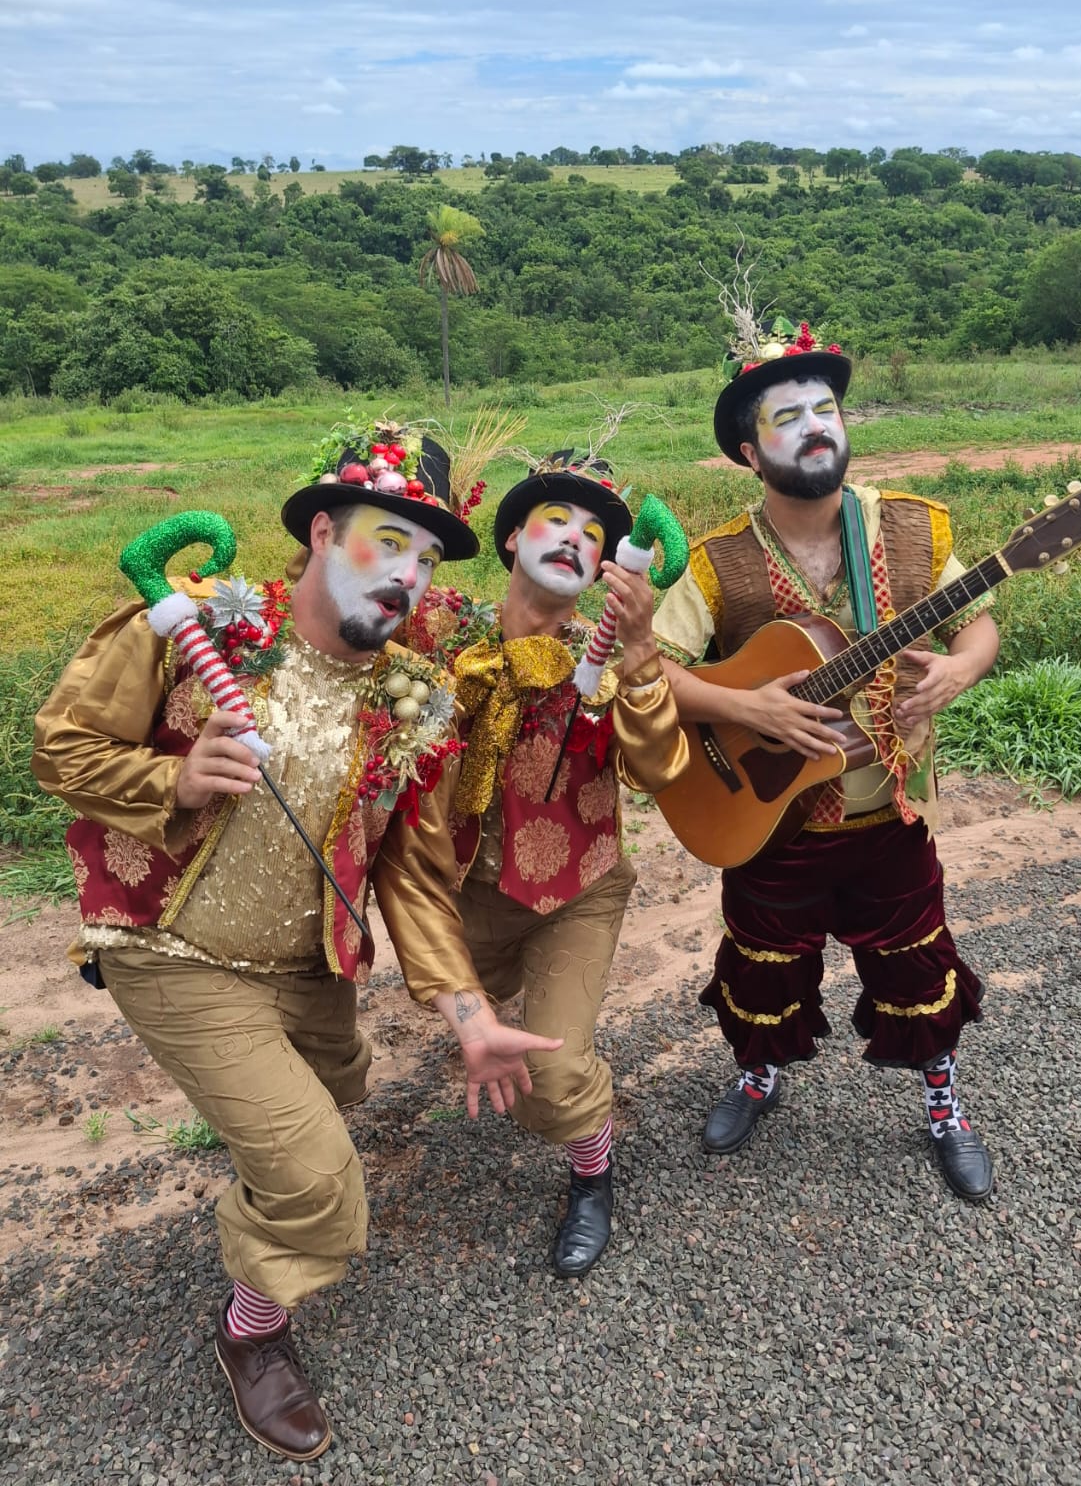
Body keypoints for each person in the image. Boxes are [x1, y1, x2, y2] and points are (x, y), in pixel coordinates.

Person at [32, 421, 560, 1463]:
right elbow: (63, 746)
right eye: (386, 541)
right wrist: (173, 779)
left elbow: (412, 878)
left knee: (334, 1094)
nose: (408, 575)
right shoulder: (199, 629)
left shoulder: (413, 701)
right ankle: (250, 1334)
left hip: (308, 963)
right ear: (321, 530)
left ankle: (267, 1173)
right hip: (173, 947)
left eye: (426, 557)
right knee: (317, 1177)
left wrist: (470, 1017)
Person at [652, 324, 1000, 1201]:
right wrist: (747, 708)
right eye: (788, 417)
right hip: (769, 821)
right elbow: (650, 672)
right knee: (762, 962)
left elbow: (978, 625)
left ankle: (943, 1103)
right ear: (748, 451)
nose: (815, 426)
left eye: (826, 409)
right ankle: (760, 1075)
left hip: (889, 814)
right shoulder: (718, 562)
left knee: (918, 963)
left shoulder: (912, 530)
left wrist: (959, 669)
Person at [408, 450, 687, 1276]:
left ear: (606, 569)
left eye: (594, 535)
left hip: (575, 893)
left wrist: (640, 649)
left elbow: (659, 769)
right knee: (447, 1007)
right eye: (555, 520)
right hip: (459, 891)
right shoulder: (440, 634)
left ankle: (593, 1173)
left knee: (553, 1075)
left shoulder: (608, 666)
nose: (574, 538)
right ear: (511, 540)